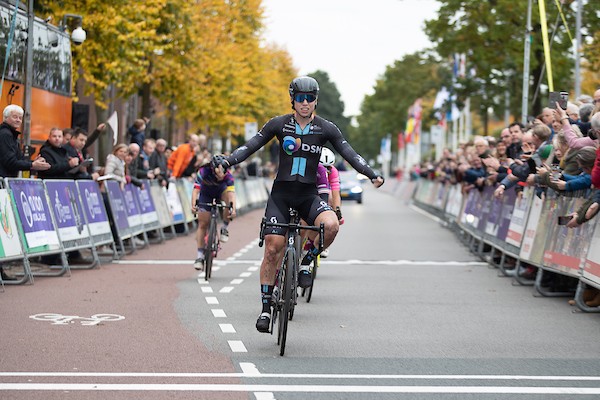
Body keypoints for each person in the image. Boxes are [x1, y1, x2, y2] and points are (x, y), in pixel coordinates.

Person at [215, 76, 384, 333]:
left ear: (316, 100)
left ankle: (307, 261)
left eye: (310, 98)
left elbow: (349, 153)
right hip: (281, 195)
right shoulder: (278, 124)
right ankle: (265, 308)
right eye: (300, 98)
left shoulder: (326, 128)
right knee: (273, 248)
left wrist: (371, 173)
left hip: (308, 195)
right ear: (292, 98)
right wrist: (227, 161)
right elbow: (251, 146)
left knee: (331, 225)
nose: (305, 103)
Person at [190, 155, 236, 271]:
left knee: (227, 202)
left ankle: (224, 227)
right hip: (206, 194)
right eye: (218, 172)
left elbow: (232, 195)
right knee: (202, 224)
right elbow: (196, 190)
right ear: (213, 168)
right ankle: (200, 257)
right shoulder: (203, 171)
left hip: (221, 192)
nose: (221, 175)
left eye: (223, 172)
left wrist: (233, 209)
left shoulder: (228, 176)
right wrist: (193, 205)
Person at [0, 105, 50, 178]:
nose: (18, 120)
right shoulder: (5, 134)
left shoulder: (11, 135)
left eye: (20, 118)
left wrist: (33, 162)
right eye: (15, 117)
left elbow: (19, 159)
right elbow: (10, 162)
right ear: (5, 117)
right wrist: (32, 165)